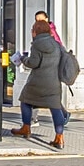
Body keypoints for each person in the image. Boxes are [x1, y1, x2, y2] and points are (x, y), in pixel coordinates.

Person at [9, 12, 69, 150]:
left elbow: (33, 63)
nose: (31, 32)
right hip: (54, 82)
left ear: (36, 31)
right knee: (55, 108)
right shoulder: (55, 43)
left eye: (33, 29)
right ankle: (59, 137)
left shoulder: (37, 44)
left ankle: (26, 127)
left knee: (25, 101)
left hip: (38, 83)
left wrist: (23, 59)